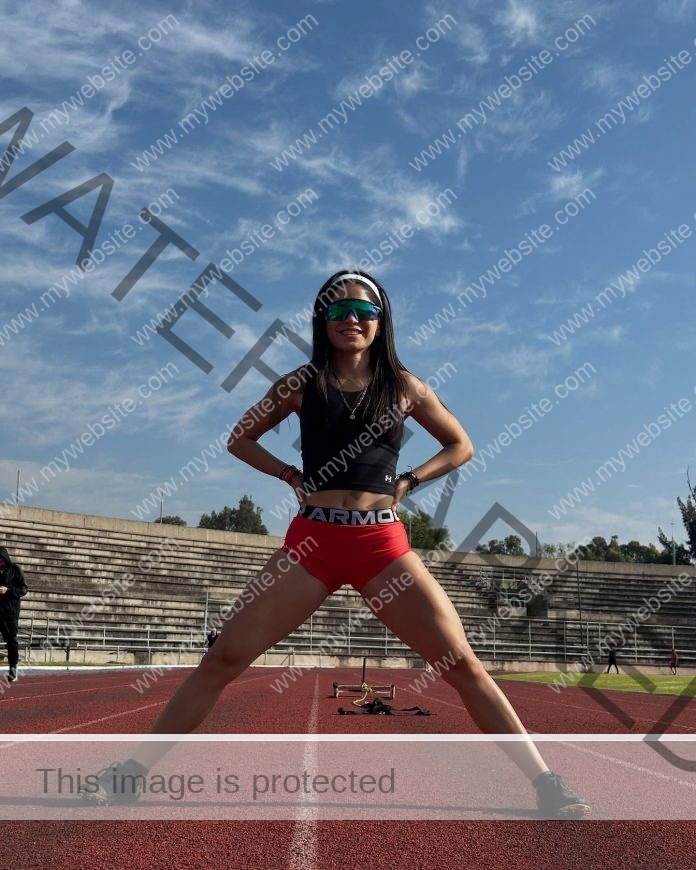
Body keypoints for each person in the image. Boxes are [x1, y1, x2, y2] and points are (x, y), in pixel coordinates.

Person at [81, 270, 590, 818]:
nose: (352, 319)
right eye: (338, 310)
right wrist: (287, 474)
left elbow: (460, 444)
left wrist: (410, 480)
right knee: (223, 657)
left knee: (461, 663)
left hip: (381, 544)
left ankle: (546, 783)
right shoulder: (300, 383)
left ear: (381, 322)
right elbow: (239, 438)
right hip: (312, 544)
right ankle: (131, 773)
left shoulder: (405, 386)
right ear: (321, 322)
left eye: (364, 311)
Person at [0, 546, 28, 682]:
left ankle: (13, 669)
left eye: (1, 559)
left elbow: (24, 589)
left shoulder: (15, 570)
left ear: (5, 558)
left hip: (10, 612)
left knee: (11, 641)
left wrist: (8, 590)